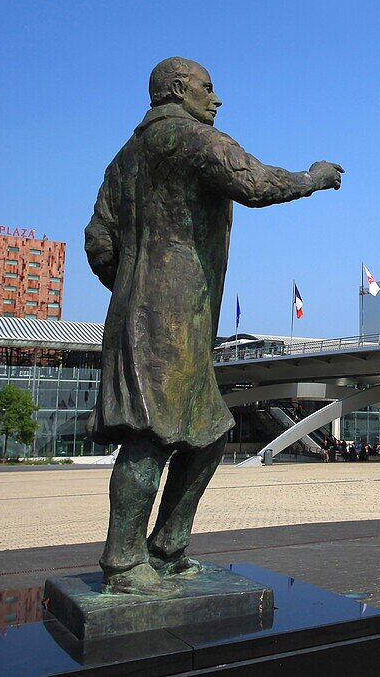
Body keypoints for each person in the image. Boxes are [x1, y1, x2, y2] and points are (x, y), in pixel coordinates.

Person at [85, 57, 342, 595]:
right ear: (179, 90)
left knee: (208, 434)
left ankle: (167, 548)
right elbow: (252, 182)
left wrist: (133, 286)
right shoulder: (190, 138)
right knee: (150, 435)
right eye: (208, 87)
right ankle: (124, 561)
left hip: (151, 310)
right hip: (170, 315)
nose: (216, 98)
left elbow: (98, 241)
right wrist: (312, 179)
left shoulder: (123, 160)